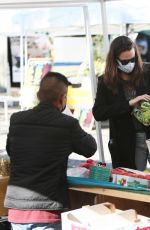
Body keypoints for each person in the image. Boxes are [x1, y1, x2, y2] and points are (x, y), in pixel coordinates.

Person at [4, 71, 97, 230]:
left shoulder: (17, 119)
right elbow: (90, 147)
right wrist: (68, 118)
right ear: (63, 98)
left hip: (16, 212)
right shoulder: (67, 124)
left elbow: (12, 151)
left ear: (38, 95)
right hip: (47, 212)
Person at [92, 35, 150, 170]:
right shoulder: (106, 82)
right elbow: (99, 113)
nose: (129, 64)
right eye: (124, 61)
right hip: (125, 142)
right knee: (132, 182)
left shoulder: (147, 72)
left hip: (147, 134)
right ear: (115, 60)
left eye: (133, 59)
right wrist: (129, 103)